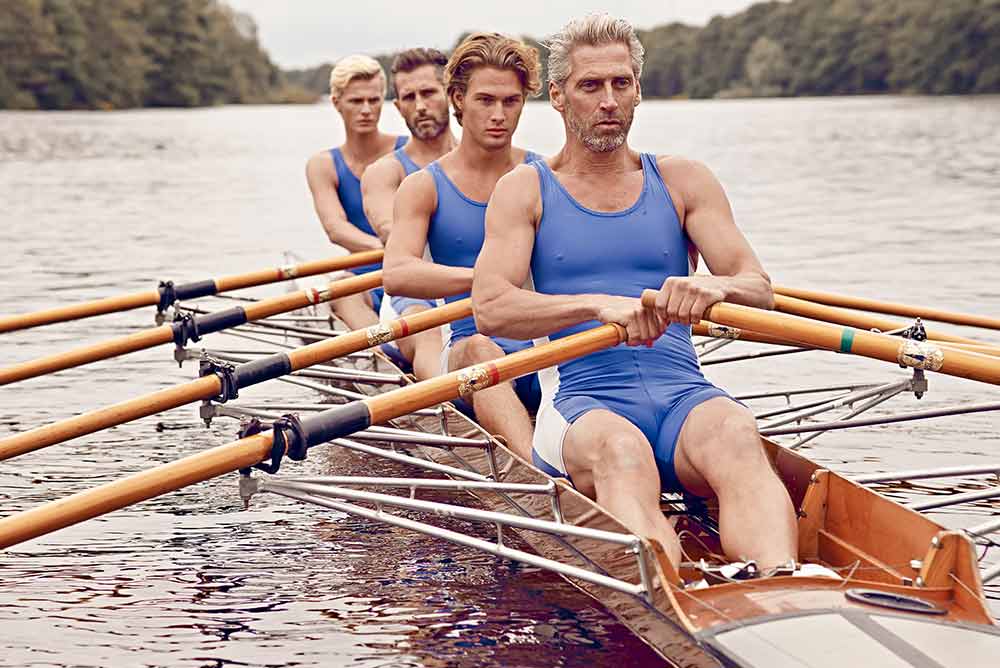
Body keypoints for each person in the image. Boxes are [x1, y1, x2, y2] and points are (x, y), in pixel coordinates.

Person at [471, 14, 798, 571]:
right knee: (623, 455)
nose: (608, 100)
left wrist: (709, 287)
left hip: (682, 396)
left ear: (638, 90)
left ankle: (781, 581)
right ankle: (672, 604)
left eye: (621, 84)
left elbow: (758, 289)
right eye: (590, 85)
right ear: (557, 96)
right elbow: (490, 308)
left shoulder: (684, 180)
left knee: (740, 435)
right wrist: (596, 305)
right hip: (583, 403)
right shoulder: (525, 188)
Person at [384, 33, 543, 460]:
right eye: (485, 100)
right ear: (457, 99)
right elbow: (397, 272)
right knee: (479, 350)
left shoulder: (546, 175)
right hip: (467, 347)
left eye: (511, 102)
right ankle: (540, 475)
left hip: (545, 344)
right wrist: (488, 280)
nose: (499, 115)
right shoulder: (423, 187)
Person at [361, 48, 457, 379]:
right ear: (398, 106)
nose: (420, 106)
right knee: (429, 332)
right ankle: (447, 415)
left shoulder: (490, 164)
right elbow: (392, 233)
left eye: (429, 93)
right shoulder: (385, 173)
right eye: (409, 97)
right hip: (416, 297)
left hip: (479, 293)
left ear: (453, 94)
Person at [306, 54, 404, 332]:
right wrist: (389, 249)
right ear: (336, 103)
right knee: (341, 288)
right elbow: (336, 229)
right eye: (356, 101)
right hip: (364, 274)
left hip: (411, 270)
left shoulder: (408, 151)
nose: (366, 110)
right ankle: (386, 354)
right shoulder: (323, 165)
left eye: (374, 100)